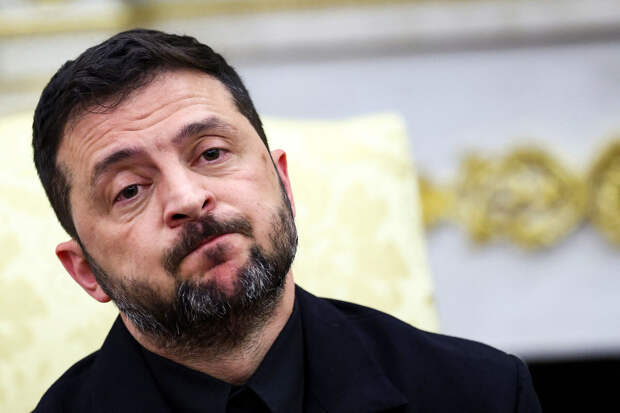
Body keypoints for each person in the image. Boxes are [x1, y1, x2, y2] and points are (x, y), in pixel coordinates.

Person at [32, 29, 541, 412]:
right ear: (86, 271)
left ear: (283, 183)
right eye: (129, 190)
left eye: (211, 153)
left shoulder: (485, 393)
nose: (188, 198)